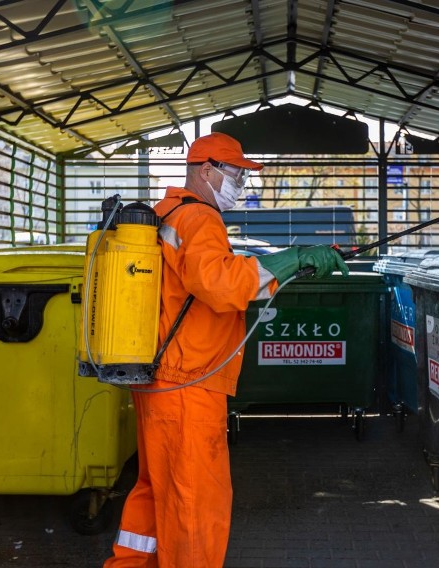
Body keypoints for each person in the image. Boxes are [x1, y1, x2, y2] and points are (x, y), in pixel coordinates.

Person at [104, 132, 349, 568]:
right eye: (236, 173)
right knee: (195, 502)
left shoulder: (166, 213)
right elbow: (220, 285)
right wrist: (291, 258)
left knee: (155, 489)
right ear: (206, 169)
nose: (241, 183)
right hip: (187, 384)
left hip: (158, 379)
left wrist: (286, 265)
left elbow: (201, 280)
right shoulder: (199, 219)